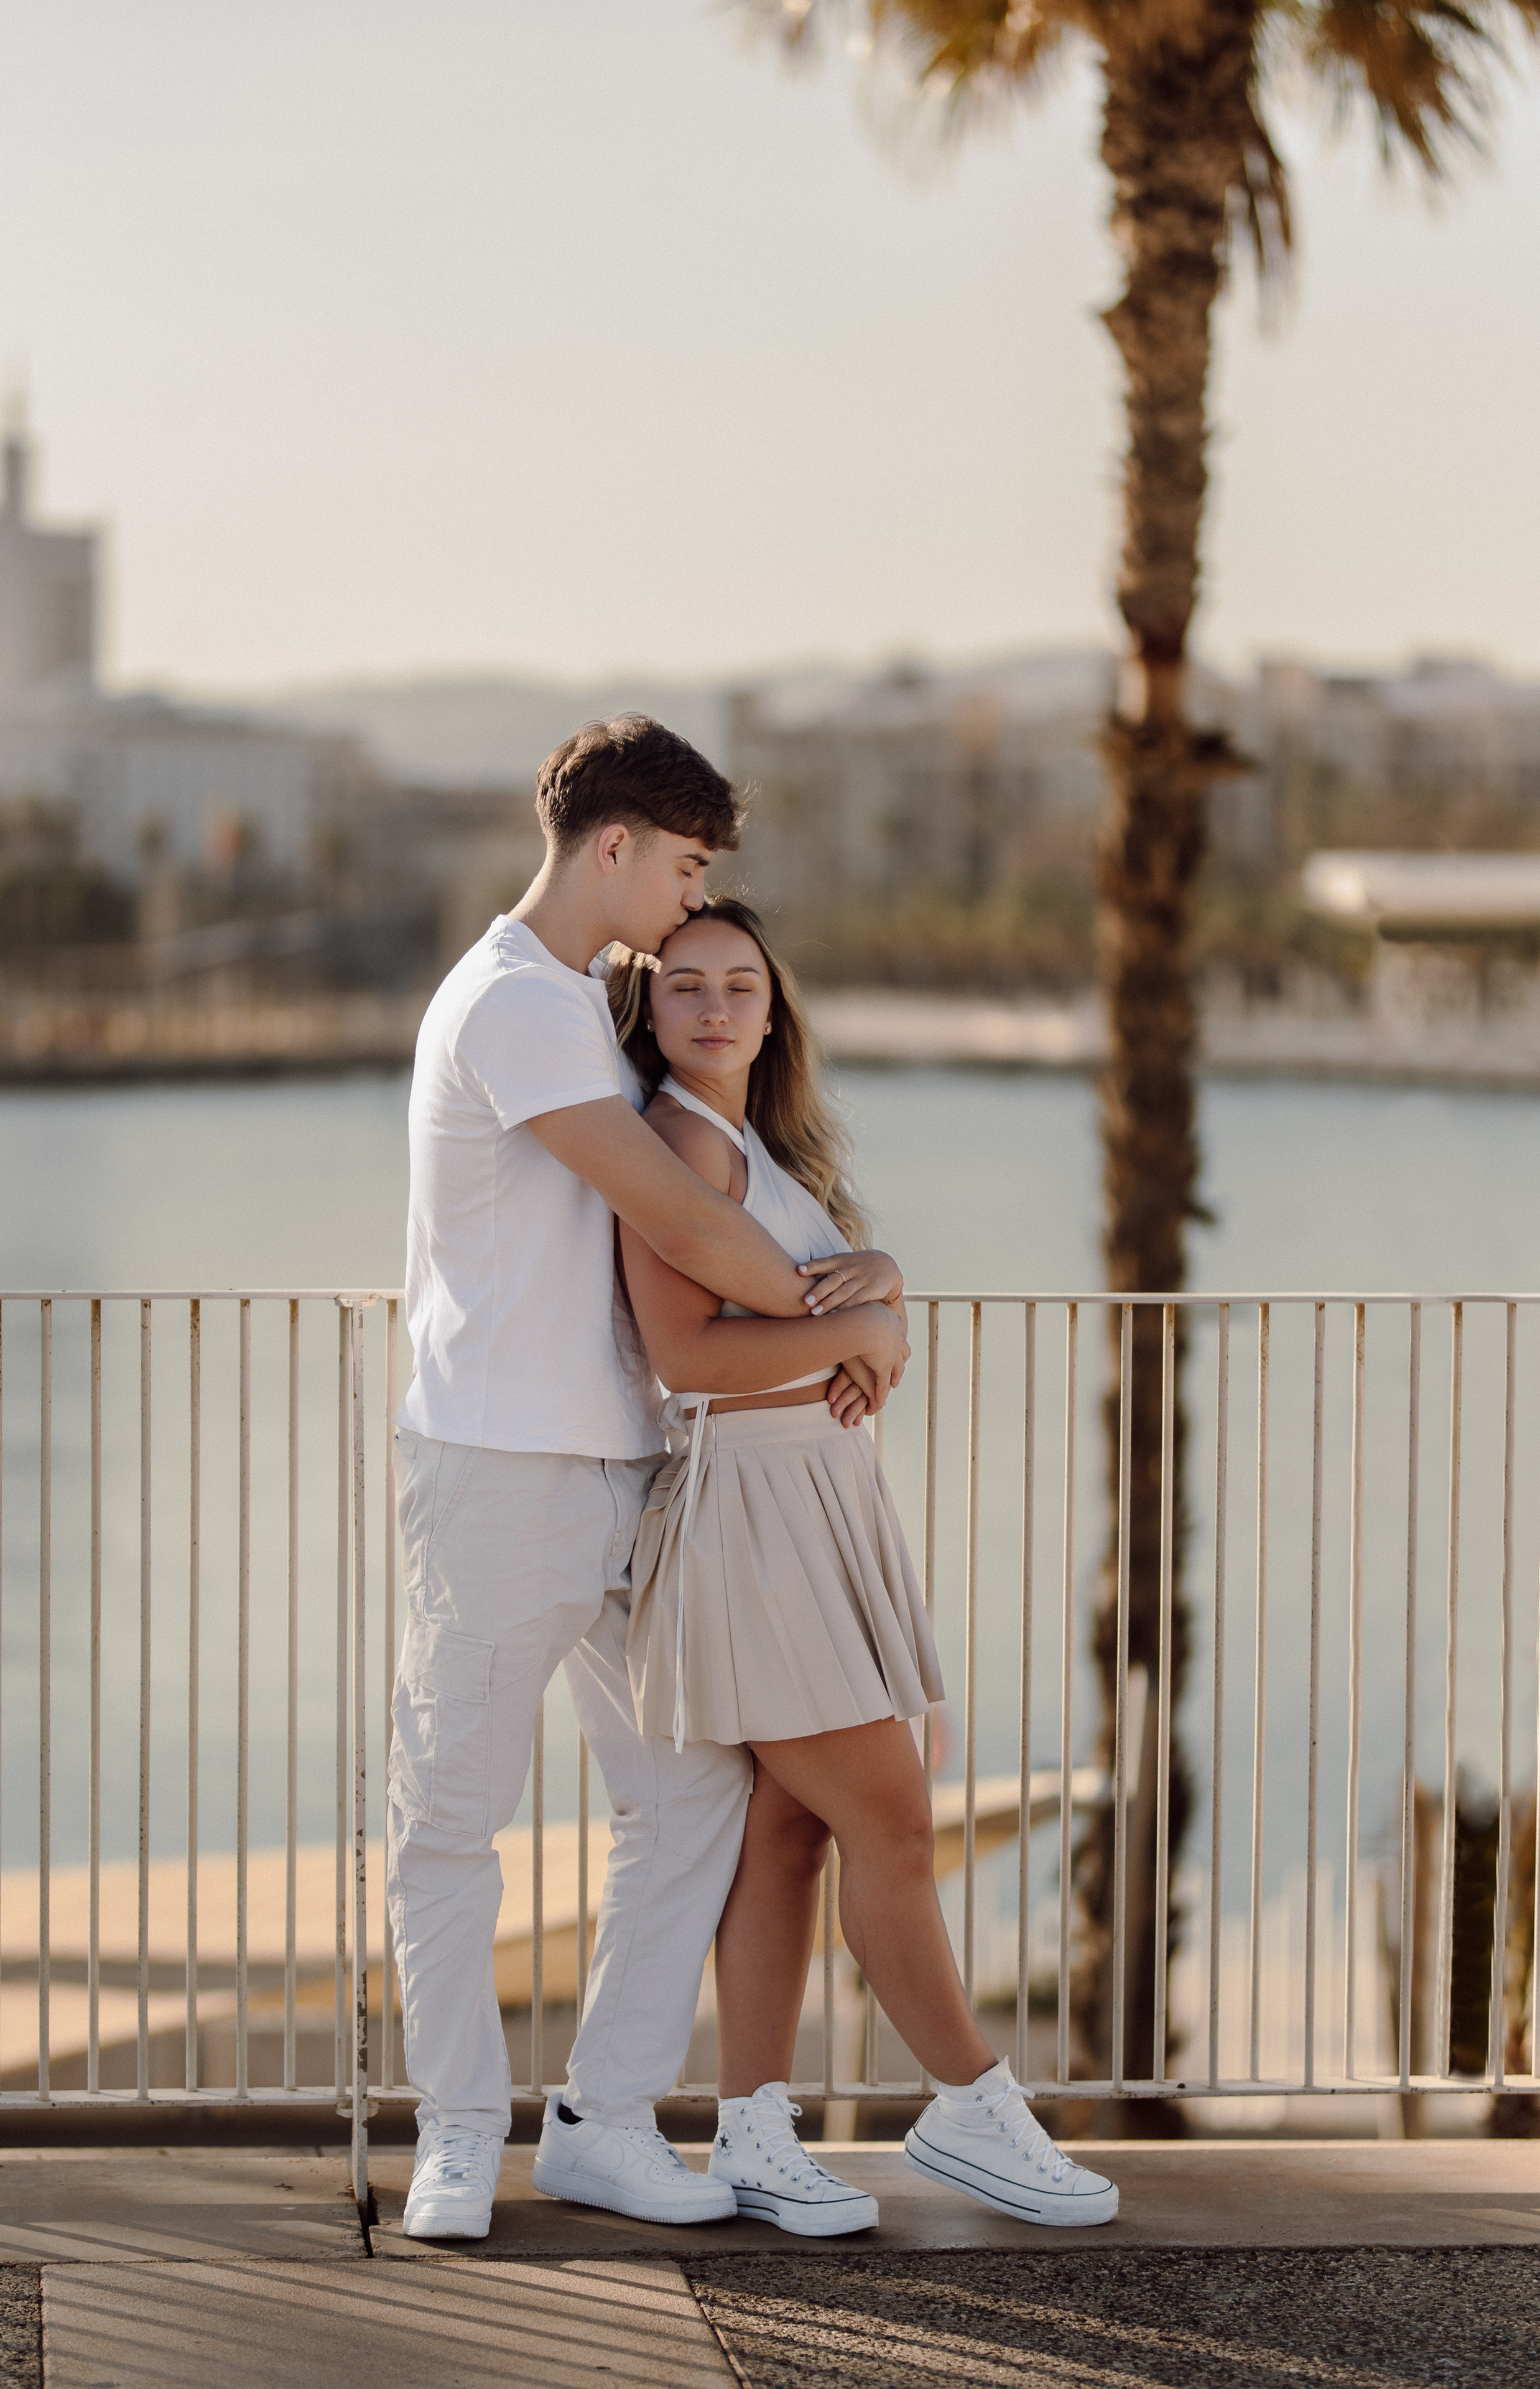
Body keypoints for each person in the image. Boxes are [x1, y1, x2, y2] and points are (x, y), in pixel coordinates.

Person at [389, 715, 910, 2242]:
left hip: (632, 1467)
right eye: (682, 868)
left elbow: (717, 1189)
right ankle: (458, 2134)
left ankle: (604, 2123)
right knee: (450, 1815)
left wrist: (842, 1274)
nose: (691, 905)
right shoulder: (514, 1007)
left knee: (688, 1797)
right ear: (612, 848)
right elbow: (678, 1225)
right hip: (499, 1470)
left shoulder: (577, 1000)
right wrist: (857, 1317)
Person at [608, 895, 1120, 2236]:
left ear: (773, 1010)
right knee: (889, 1815)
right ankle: (969, 2106)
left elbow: (817, 1299)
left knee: (786, 1838)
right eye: (685, 988)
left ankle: (753, 2136)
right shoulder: (678, 1145)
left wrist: (876, 1282)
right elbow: (689, 1361)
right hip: (758, 1515)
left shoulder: (753, 1147)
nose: (715, 1008)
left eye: (739, 985)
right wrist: (872, 1327)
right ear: (648, 1017)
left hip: (812, 1502)